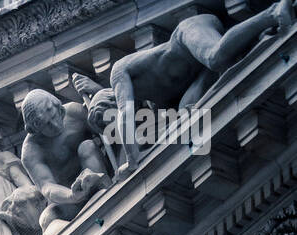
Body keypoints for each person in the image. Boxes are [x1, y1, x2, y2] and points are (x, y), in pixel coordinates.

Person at [108, 3, 293, 166]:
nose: (103, 121)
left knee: (214, 57)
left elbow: (125, 114)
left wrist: (132, 161)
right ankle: (253, 41)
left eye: (100, 113)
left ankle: (272, 12)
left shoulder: (118, 72)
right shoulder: (157, 105)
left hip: (188, 32)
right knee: (187, 110)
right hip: (201, 67)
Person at [20, 89, 110, 233]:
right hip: (70, 198)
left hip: (99, 178)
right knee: (47, 218)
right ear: (35, 130)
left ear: (57, 106)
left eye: (54, 116)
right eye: (47, 125)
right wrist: (72, 196)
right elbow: (47, 187)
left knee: (86, 147)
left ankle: (104, 196)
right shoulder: (31, 150)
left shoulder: (74, 111)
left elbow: (107, 132)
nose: (55, 125)